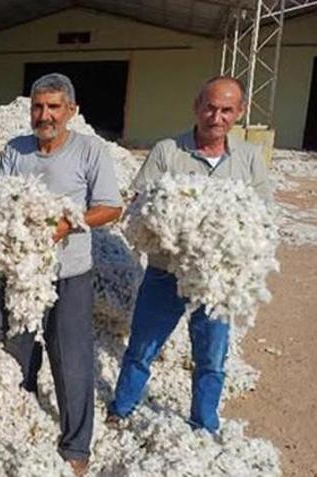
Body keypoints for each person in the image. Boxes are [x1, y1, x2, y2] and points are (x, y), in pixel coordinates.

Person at [107, 76, 272, 434]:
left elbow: (263, 214)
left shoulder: (248, 158)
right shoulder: (168, 151)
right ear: (197, 107)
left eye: (227, 110)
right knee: (142, 346)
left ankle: (204, 422)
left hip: (218, 283)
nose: (216, 116)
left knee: (211, 357)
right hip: (166, 273)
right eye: (210, 107)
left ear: (239, 113)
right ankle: (121, 408)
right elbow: (138, 204)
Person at [0, 73, 123, 475]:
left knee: (71, 359)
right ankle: (20, 410)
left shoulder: (90, 151)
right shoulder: (15, 151)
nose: (45, 115)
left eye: (54, 107)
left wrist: (67, 224)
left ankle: (76, 445)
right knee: (17, 351)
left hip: (69, 273)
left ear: (72, 111)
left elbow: (109, 207)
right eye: (38, 106)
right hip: (20, 273)